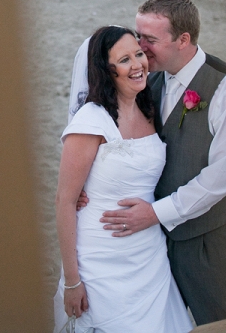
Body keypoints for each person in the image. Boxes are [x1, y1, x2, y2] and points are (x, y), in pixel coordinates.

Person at [69, 0, 226, 326]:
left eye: (149, 39)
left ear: (183, 40)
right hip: (150, 249)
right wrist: (85, 186)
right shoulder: (144, 82)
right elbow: (98, 130)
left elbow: (221, 179)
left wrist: (154, 214)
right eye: (137, 34)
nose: (139, 47)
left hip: (207, 244)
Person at [54, 25, 192, 333]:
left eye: (139, 54)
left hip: (149, 256)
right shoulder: (91, 121)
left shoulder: (150, 107)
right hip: (100, 258)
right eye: (125, 59)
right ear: (107, 70)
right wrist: (72, 281)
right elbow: (64, 201)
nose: (138, 65)